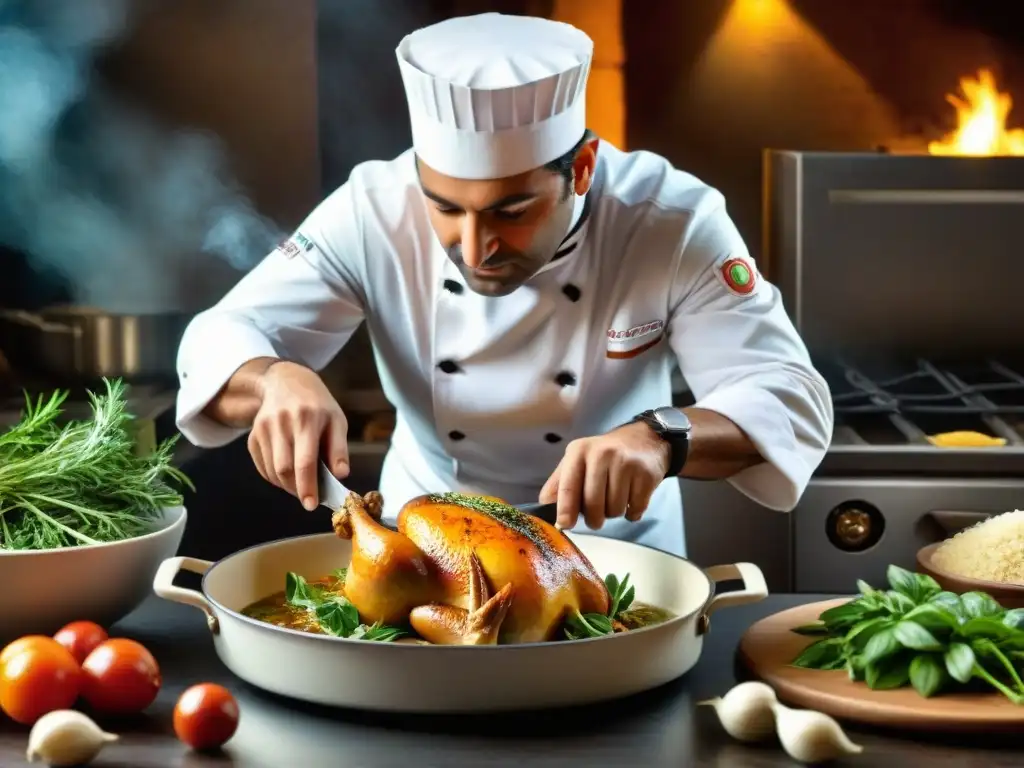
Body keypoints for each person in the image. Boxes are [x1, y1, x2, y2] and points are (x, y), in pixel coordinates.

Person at [174, 12, 833, 557]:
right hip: (425, 547)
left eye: (511, 212)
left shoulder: (670, 220)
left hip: (617, 552)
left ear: (581, 168)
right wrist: (272, 379)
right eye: (446, 208)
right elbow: (220, 335)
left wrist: (660, 437)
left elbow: (789, 394)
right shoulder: (374, 207)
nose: (474, 246)